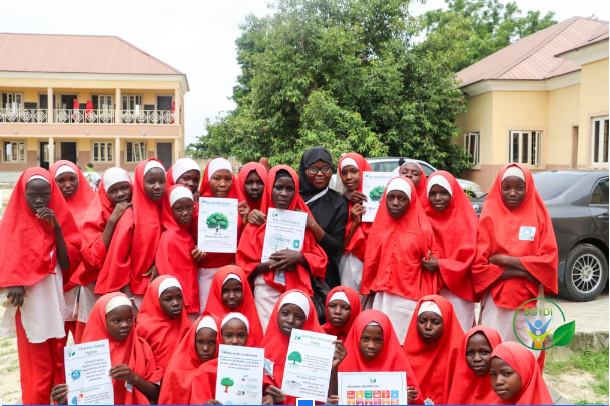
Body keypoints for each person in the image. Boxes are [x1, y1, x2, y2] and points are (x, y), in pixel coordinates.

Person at [0, 168, 81, 405]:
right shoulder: (11, 225)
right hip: (31, 304)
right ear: (22, 194)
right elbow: (7, 257)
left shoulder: (58, 219)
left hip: (54, 302)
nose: (39, 200)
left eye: (45, 195)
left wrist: (56, 226)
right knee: (36, 366)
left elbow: (67, 263)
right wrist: (13, 281)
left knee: (57, 355)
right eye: (32, 195)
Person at [472, 163, 558, 349]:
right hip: (496, 298)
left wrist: (504, 261)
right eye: (507, 187)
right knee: (494, 345)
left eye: (519, 188)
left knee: (530, 349)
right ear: (499, 188)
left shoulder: (539, 216)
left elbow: (548, 261)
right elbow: (480, 266)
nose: (512, 192)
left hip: (531, 299)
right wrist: (525, 271)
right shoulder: (489, 216)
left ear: (528, 189)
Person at [235, 166, 328, 331]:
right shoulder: (257, 222)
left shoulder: (303, 222)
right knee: (268, 338)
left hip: (297, 294)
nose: (284, 193)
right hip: (265, 293)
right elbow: (244, 266)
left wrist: (299, 257)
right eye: (278, 188)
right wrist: (274, 263)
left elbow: (320, 260)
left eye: (290, 189)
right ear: (270, 189)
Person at [361, 176, 439, 343]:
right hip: (381, 298)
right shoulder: (379, 228)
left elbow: (430, 268)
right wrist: (364, 300)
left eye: (402, 198)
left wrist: (426, 304)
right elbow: (370, 267)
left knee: (402, 344)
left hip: (408, 301)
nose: (395, 203)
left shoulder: (422, 229)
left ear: (410, 201)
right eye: (391, 197)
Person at [51, 292, 164, 405]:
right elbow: (80, 398)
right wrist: (64, 400)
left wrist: (133, 377)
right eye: (117, 320)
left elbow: (155, 394)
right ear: (102, 321)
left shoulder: (141, 347)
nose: (125, 324)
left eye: (130, 318)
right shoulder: (83, 355)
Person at [421, 171, 478, 331]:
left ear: (453, 194)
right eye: (432, 193)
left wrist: (440, 265)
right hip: (428, 287)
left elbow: (469, 259)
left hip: (458, 291)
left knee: (458, 333)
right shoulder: (421, 218)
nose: (437, 198)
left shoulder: (466, 220)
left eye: (443, 193)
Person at [328, 309, 424, 405]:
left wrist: (405, 399)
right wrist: (333, 369)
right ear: (357, 337)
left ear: (386, 339)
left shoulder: (398, 364)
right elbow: (332, 399)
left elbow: (416, 401)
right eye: (365, 338)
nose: (371, 346)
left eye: (377, 340)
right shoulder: (343, 363)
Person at [76, 167, 133, 325]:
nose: (120, 194)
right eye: (113, 191)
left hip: (125, 283)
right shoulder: (95, 214)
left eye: (124, 187)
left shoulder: (137, 208)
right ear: (104, 193)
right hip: (96, 286)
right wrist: (112, 221)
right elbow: (93, 259)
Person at [49, 160, 96, 343]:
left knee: (84, 340)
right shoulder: (46, 209)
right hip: (56, 283)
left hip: (84, 283)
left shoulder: (93, 206)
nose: (68, 184)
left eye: (72, 179)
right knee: (56, 342)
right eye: (61, 180)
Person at [189, 313, 275, 405]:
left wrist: (269, 396)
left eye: (241, 336)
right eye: (229, 336)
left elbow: (268, 389)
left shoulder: (258, 366)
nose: (234, 341)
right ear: (220, 337)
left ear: (248, 336)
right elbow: (198, 400)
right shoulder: (205, 370)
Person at [260, 290, 328, 405]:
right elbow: (259, 382)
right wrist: (267, 393)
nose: (290, 320)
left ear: (307, 320)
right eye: (285, 313)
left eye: (298, 317)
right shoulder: (267, 346)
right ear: (277, 313)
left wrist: (332, 369)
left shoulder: (319, 350)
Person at [298, 147, 349, 289]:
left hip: (322, 277)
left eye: (326, 168)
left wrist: (312, 225)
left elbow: (336, 248)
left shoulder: (338, 203)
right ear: (304, 170)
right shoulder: (290, 195)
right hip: (290, 271)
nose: (320, 174)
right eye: (313, 169)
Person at [197, 157, 244, 310]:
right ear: (207, 179)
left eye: (228, 179)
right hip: (204, 273)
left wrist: (246, 220)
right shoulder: (197, 209)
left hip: (231, 273)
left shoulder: (240, 208)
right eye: (216, 178)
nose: (223, 184)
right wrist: (194, 248)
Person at [403, 295, 464, 405]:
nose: (427, 327)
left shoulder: (458, 354)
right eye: (422, 321)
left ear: (447, 322)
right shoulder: (405, 357)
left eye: (435, 322)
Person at [156, 185, 202, 317]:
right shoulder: (168, 238)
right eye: (179, 209)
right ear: (170, 211)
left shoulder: (186, 235)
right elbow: (165, 270)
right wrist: (176, 299)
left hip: (189, 296)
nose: (186, 213)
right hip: (179, 301)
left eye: (189, 207)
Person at [158, 312, 221, 405]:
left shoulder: (225, 368)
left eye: (212, 342)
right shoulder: (175, 371)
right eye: (200, 342)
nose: (205, 348)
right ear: (192, 341)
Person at [136, 276, 192, 371]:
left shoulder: (187, 325)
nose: (176, 303)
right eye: (168, 299)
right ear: (156, 300)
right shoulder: (144, 329)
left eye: (179, 297)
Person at [336, 153, 372, 291]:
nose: (348, 177)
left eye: (354, 171)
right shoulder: (339, 203)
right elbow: (339, 245)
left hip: (374, 261)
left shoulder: (384, 200)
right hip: (349, 265)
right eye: (344, 173)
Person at [204, 265, 264, 346]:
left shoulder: (253, 323)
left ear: (244, 290)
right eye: (225, 291)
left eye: (237, 290)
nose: (232, 296)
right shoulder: (208, 324)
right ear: (218, 290)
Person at [447, 326, 503, 405]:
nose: (476, 359)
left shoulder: (506, 390)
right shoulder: (458, 390)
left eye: (484, 352)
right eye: (470, 353)